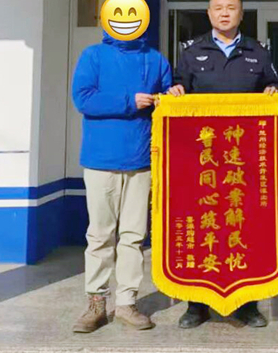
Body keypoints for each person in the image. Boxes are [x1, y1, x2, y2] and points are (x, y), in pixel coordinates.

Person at [168, 0, 278, 328]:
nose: (224, 13)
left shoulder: (258, 52)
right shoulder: (191, 52)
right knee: (205, 227)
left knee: (245, 227)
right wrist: (176, 92)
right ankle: (196, 305)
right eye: (218, 7)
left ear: (241, 14)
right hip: (202, 161)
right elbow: (178, 87)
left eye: (231, 7)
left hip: (243, 162)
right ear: (209, 13)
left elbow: (272, 88)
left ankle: (247, 304)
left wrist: (272, 92)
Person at [71, 28, 172, 333]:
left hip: (141, 161)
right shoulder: (93, 56)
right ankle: (96, 303)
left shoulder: (155, 59)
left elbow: (167, 99)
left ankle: (127, 302)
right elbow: (83, 99)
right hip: (100, 161)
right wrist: (129, 101)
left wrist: (171, 96)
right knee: (100, 235)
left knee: (133, 236)